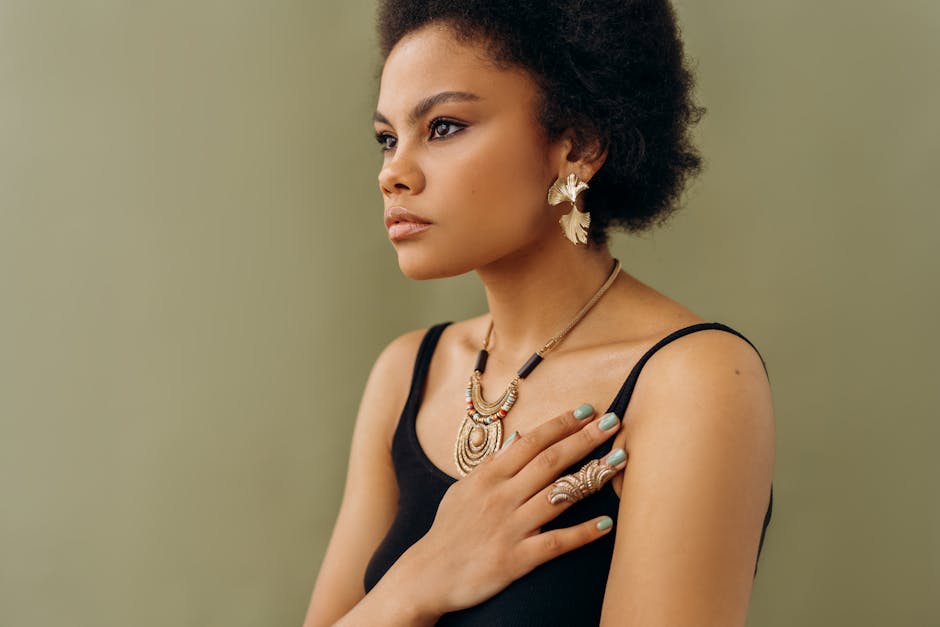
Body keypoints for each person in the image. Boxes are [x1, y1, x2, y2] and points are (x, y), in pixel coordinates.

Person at [303, 1, 775, 625]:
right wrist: (419, 580)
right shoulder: (407, 374)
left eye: (443, 126)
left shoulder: (692, 381)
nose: (394, 173)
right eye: (387, 138)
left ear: (578, 143)